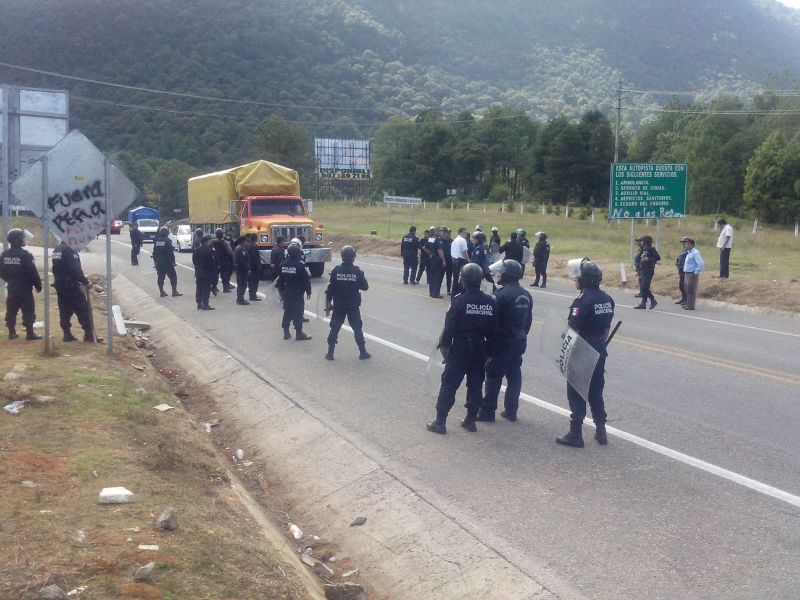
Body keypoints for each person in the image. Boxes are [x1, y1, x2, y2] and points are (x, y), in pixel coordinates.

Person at [426, 263, 497, 435]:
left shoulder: (459, 300)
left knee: (449, 384)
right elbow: (494, 331)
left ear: (463, 280)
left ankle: (440, 421)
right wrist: (489, 353)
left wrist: (446, 349)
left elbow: (448, 329)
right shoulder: (489, 301)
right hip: (480, 348)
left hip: (460, 348)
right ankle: (470, 420)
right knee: (475, 384)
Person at [556, 259, 614, 448]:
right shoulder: (607, 299)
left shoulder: (582, 301)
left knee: (577, 392)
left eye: (577, 278)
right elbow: (606, 330)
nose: (575, 281)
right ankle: (601, 431)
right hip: (599, 348)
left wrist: (566, 354)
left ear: (585, 280)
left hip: (582, 349)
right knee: (596, 391)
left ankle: (575, 434)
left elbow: (573, 332)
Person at [478, 259, 532, 422]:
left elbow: (492, 324)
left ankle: (487, 412)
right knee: (514, 375)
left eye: (501, 272)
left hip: (503, 341)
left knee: (493, 376)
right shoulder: (526, 294)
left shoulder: (500, 295)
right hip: (519, 340)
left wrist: (489, 349)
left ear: (507, 275)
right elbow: (528, 321)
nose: (498, 274)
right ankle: (511, 410)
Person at [325, 245, 370, 360]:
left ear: (342, 257)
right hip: (352, 305)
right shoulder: (357, 271)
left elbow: (331, 289)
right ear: (353, 257)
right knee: (357, 328)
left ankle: (330, 353)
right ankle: (363, 352)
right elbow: (365, 287)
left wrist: (329, 302)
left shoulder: (336, 270)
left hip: (339, 305)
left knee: (335, 327)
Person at [52, 239, 99, 342]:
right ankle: (88, 335)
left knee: (64, 310)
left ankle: (67, 334)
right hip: (71, 285)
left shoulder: (57, 249)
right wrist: (86, 282)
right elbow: (75, 270)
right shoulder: (70, 250)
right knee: (82, 309)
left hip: (60, 285)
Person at [1, 228, 42, 341]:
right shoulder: (25, 255)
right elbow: (32, 272)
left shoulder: (5, 254)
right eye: (23, 238)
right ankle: (30, 333)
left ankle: (12, 332)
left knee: (11, 309)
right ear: (18, 240)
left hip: (11, 286)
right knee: (28, 309)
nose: (25, 240)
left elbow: (1, 271)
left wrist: (10, 280)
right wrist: (38, 285)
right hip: (24, 287)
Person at [275, 243, 312, 341]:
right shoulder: (300, 265)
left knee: (287, 311)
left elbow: (280, 280)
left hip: (287, 291)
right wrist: (308, 291)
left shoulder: (283, 264)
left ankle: (286, 332)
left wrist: (283, 292)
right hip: (297, 292)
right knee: (298, 312)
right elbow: (305, 280)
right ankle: (299, 333)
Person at [152, 227, 182, 298]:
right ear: (167, 233)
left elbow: (154, 253)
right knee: (173, 277)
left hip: (159, 262)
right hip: (167, 262)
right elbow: (170, 253)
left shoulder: (157, 241)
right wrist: (173, 262)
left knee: (160, 277)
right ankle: (174, 291)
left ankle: (161, 292)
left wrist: (155, 262)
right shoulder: (168, 241)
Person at [634, 235, 660, 310]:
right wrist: (638, 269)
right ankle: (643, 303)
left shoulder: (651, 249)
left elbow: (658, 257)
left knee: (644, 287)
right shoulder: (643, 250)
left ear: (646, 242)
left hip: (648, 270)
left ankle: (652, 300)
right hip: (642, 270)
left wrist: (648, 259)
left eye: (641, 241)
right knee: (642, 288)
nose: (640, 242)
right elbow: (639, 259)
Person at [192, 234, 217, 310]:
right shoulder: (208, 250)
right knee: (206, 289)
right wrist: (213, 271)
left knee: (199, 287)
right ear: (207, 242)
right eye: (210, 241)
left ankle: (199, 303)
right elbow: (211, 262)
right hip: (206, 273)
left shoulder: (196, 250)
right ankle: (205, 304)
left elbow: (194, 260)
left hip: (198, 272)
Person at [682, 238, 704, 311]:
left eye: (688, 244)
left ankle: (691, 305)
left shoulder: (695, 252)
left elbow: (700, 263)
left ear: (692, 245)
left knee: (691, 289)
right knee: (687, 289)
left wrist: (696, 271)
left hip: (692, 273)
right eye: (685, 244)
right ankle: (688, 304)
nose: (686, 245)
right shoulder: (689, 252)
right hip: (687, 272)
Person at [425, 226, 446, 298]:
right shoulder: (438, 240)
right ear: (437, 232)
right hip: (438, 260)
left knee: (432, 276)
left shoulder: (431, 238)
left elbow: (425, 247)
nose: (442, 232)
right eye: (441, 231)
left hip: (432, 259)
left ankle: (431, 292)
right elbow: (439, 250)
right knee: (437, 277)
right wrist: (443, 260)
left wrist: (430, 254)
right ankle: (435, 293)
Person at [212, 228, 234, 292]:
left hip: (215, 260)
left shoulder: (213, 241)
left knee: (215, 274)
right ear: (222, 234)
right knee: (224, 274)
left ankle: (214, 287)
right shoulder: (224, 242)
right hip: (224, 260)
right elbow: (230, 251)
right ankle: (225, 288)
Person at [450, 227, 470, 297]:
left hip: (454, 260)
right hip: (461, 260)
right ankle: (460, 293)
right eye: (465, 232)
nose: (466, 234)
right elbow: (464, 252)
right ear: (460, 232)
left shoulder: (454, 240)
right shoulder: (463, 240)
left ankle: (454, 293)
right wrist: (468, 261)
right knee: (462, 278)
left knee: (455, 278)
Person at [233, 236, 251, 305]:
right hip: (242, 269)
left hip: (239, 269)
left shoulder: (237, 248)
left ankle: (239, 298)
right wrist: (248, 269)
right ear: (243, 241)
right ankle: (241, 299)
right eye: (246, 241)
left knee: (240, 284)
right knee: (243, 285)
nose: (247, 242)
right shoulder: (241, 249)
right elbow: (243, 261)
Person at [246, 233, 262, 301]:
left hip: (250, 267)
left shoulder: (247, 246)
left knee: (250, 282)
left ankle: (251, 295)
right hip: (254, 267)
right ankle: (253, 295)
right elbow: (255, 258)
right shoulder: (254, 247)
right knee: (255, 282)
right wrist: (258, 265)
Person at [675, 236, 690, 305]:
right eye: (683, 243)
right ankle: (683, 298)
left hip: (686, 270)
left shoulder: (689, 251)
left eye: (685, 243)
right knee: (681, 285)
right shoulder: (683, 250)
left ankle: (686, 300)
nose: (683, 244)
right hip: (681, 269)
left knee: (685, 286)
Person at [441, 228, 453, 294]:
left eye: (450, 233)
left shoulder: (452, 241)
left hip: (450, 261)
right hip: (442, 261)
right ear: (444, 233)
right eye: (447, 233)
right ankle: (437, 290)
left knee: (449, 276)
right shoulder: (441, 241)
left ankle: (448, 290)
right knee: (440, 276)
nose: (449, 234)